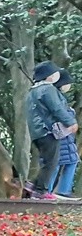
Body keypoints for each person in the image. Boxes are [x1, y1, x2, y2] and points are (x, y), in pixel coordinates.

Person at [26, 61, 77, 200]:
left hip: (37, 132)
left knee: (49, 160)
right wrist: (70, 122)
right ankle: (41, 191)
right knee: (51, 162)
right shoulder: (48, 89)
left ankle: (32, 185)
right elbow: (56, 108)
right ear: (48, 76)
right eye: (55, 74)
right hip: (47, 130)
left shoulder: (33, 91)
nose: (56, 76)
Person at [44, 68, 79, 200]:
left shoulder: (55, 96)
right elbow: (60, 114)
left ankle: (55, 190)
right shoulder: (55, 96)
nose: (69, 86)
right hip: (59, 136)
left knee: (65, 161)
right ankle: (55, 190)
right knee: (58, 163)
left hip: (62, 136)